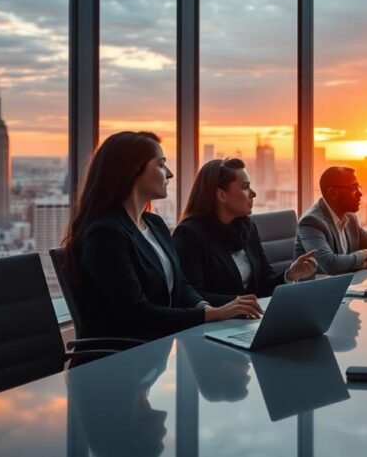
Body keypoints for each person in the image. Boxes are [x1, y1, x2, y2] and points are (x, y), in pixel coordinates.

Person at [63, 131, 263, 342]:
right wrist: (211, 314)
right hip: (121, 357)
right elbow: (138, 313)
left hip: (159, 348)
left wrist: (206, 307)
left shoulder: (155, 224)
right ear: (133, 171)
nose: (169, 174)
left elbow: (182, 285)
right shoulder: (105, 234)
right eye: (160, 164)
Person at [173, 158, 317, 301]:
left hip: (249, 318)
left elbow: (264, 284)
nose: (253, 193)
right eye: (245, 186)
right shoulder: (189, 234)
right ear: (221, 195)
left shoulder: (247, 228)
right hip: (217, 321)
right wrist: (237, 304)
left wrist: (290, 274)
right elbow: (192, 296)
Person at [293, 166, 367, 274]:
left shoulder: (350, 218)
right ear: (333, 193)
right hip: (318, 288)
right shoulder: (311, 222)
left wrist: (364, 264)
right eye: (353, 189)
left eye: (359, 187)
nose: (360, 194)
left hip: (348, 284)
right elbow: (330, 264)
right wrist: (363, 254)